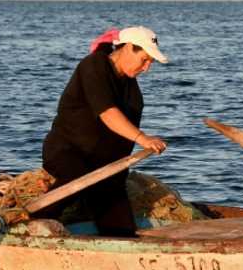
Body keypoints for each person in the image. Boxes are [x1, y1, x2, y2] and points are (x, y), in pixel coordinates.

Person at [39, 26, 169, 236]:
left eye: (150, 63)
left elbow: (123, 145)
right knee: (78, 178)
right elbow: (108, 113)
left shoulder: (133, 93)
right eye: (144, 60)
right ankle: (34, 220)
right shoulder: (94, 65)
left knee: (122, 229)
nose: (146, 68)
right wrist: (142, 138)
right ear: (127, 48)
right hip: (66, 152)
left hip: (104, 169)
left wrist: (116, 181)